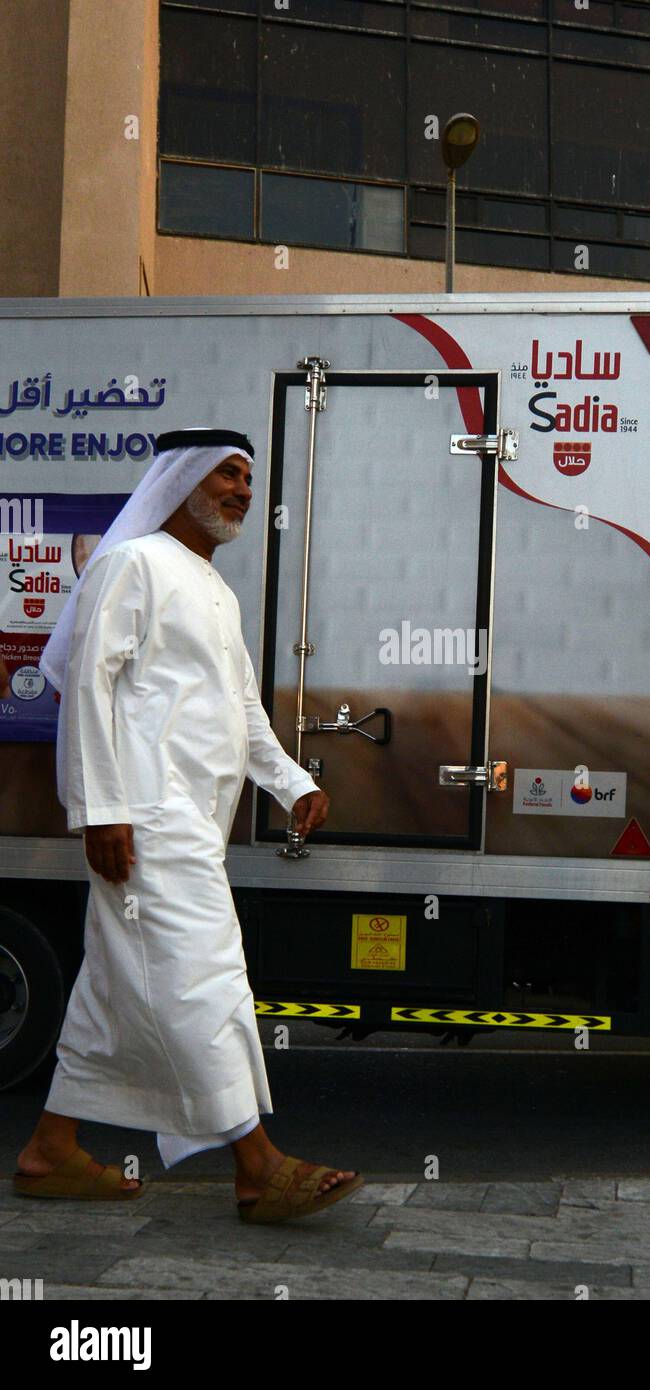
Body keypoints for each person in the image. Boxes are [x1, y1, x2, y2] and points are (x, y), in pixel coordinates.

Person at [14, 428, 363, 1223]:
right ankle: (257, 1166)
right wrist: (100, 809)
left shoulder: (212, 587)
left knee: (114, 986)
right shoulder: (129, 564)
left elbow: (239, 710)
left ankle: (51, 1149)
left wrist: (292, 782)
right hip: (145, 817)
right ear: (179, 482)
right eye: (226, 475)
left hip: (195, 825)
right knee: (203, 978)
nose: (243, 488)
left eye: (248, 477)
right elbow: (87, 690)